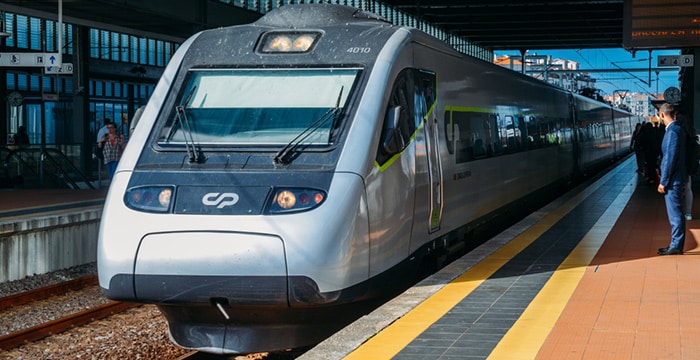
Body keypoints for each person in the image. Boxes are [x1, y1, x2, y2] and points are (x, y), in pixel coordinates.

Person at [657, 103, 687, 255]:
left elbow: (670, 158)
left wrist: (663, 181)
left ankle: (676, 245)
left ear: (662, 115)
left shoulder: (673, 132)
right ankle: (675, 243)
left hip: (673, 180)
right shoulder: (677, 130)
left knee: (675, 213)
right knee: (676, 212)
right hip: (677, 178)